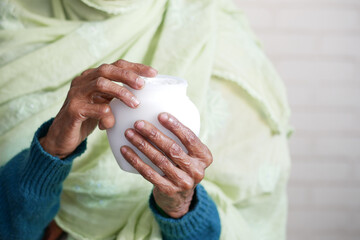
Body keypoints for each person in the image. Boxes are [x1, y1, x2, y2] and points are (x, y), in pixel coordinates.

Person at [0, 0, 292, 240]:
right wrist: (50, 150)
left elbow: (253, 210)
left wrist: (181, 208)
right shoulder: (12, 20)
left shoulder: (216, 33)